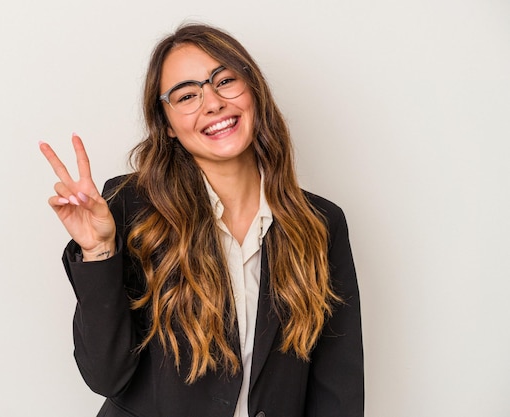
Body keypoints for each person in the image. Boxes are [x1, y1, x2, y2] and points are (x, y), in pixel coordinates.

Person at [39, 23, 363, 417]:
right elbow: (105, 378)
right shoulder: (130, 208)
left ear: (254, 91)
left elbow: (338, 388)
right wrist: (98, 251)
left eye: (224, 80)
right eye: (187, 95)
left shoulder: (320, 223)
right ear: (167, 124)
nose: (212, 103)